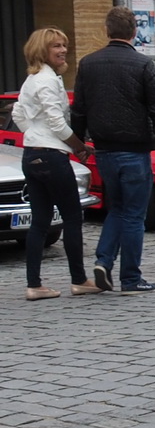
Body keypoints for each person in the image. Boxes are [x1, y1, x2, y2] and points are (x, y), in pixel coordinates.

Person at [70, 6, 155, 294]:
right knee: (134, 214)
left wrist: (79, 144)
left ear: (107, 30)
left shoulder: (88, 63)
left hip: (104, 150)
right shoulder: (142, 64)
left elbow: (79, 109)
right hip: (134, 150)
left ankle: (104, 261)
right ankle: (130, 277)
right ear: (134, 31)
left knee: (116, 208)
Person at [14, 28, 98, 299]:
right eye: (56, 46)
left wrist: (34, 134)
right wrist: (79, 146)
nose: (63, 50)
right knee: (72, 217)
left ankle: (34, 285)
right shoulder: (47, 80)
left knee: (39, 221)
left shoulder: (32, 79)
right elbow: (57, 122)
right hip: (52, 156)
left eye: (64, 45)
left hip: (31, 155)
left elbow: (18, 113)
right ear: (42, 50)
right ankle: (79, 280)